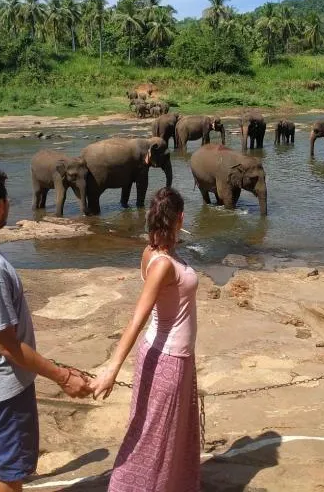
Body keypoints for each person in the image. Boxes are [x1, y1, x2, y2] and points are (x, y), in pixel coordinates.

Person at [0, 170, 91, 492]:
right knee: (10, 471)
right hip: (3, 387)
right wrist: (63, 377)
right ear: (1, 207)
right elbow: (8, 346)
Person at [92, 187, 200, 492]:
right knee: (153, 436)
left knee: (170, 434)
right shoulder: (163, 263)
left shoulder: (152, 253)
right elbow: (138, 317)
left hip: (173, 356)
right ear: (180, 218)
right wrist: (111, 369)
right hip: (169, 359)